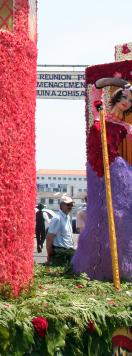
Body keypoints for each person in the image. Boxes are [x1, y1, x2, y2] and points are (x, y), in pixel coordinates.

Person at [72, 78, 132, 281]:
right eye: (126, 96)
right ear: (118, 96)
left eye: (131, 101)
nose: (127, 102)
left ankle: (118, 266)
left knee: (118, 215)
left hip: (115, 171)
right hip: (96, 170)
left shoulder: (126, 127)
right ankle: (95, 265)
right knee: (98, 214)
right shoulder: (100, 113)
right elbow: (96, 86)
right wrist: (114, 81)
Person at [46, 195, 74, 265]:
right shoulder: (57, 218)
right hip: (59, 252)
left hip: (68, 251)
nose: (70, 207)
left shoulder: (67, 217)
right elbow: (49, 237)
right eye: (68, 205)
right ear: (61, 205)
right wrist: (49, 254)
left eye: (71, 205)